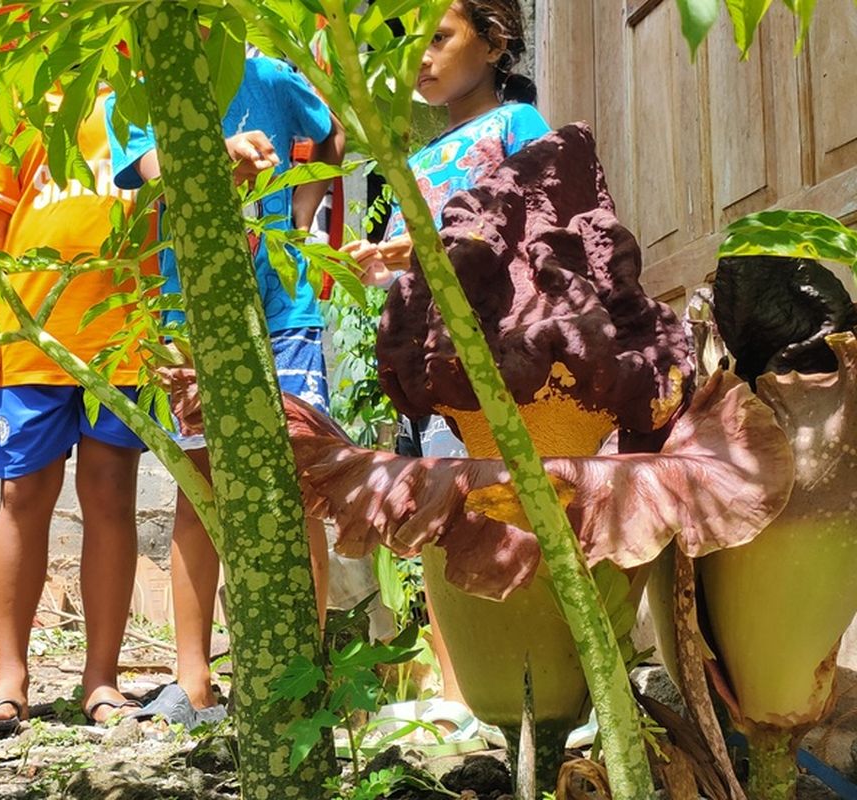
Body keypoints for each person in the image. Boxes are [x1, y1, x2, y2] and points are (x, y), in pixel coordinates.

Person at [106, 50, 345, 728]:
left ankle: (304, 672)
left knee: (299, 480)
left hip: (283, 305)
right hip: (193, 309)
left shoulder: (268, 71)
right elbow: (152, 169)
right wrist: (220, 154)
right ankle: (193, 679)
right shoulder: (150, 76)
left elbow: (328, 129)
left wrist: (302, 210)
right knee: (201, 485)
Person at [342, 0, 550, 736]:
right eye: (407, 46)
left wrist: (424, 248)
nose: (418, 60)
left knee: (511, 506)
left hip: (499, 353)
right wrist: (376, 264)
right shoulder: (417, 157)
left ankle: (537, 681)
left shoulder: (517, 127)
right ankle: (462, 688)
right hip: (427, 363)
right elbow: (400, 255)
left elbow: (536, 222)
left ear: (494, 43)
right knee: (442, 510)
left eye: (438, 39)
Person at [0, 87, 158, 734]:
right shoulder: (13, 102)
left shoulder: (144, 99)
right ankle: (8, 678)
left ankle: (102, 679)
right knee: (23, 498)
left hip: (122, 333)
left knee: (109, 496)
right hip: (30, 333)